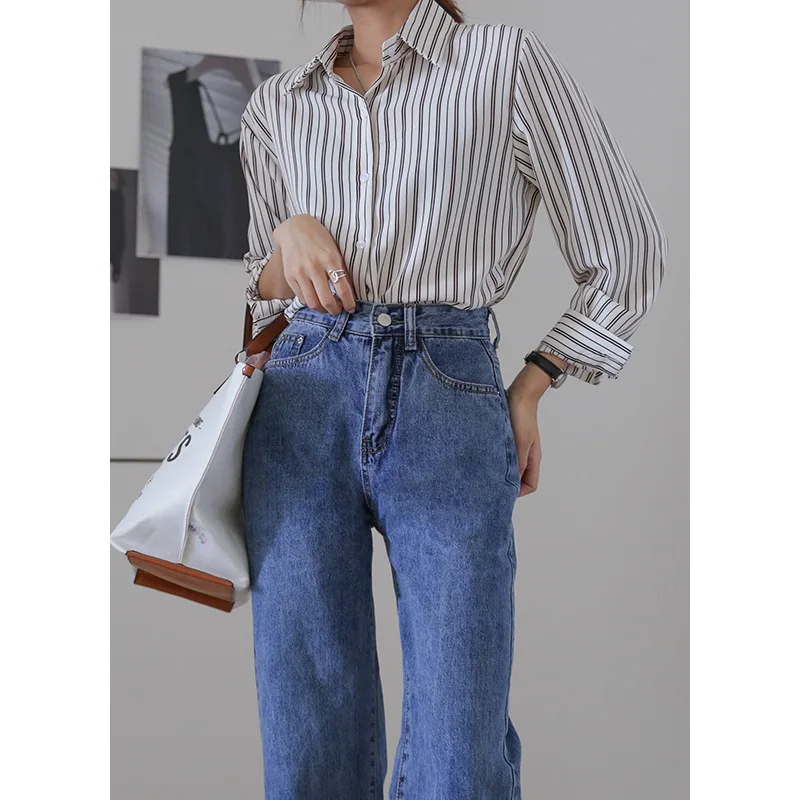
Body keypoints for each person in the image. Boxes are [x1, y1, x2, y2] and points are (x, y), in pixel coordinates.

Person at [239, 1, 668, 797]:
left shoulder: (503, 64)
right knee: (307, 734)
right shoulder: (278, 103)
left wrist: (535, 380)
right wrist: (285, 235)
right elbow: (265, 291)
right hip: (301, 396)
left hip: (447, 389)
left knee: (460, 746)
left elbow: (626, 246)